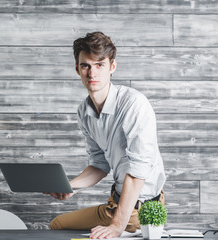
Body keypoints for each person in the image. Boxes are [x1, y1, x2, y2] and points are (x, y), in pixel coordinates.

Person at [47, 32, 166, 239]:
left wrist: (116, 226)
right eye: (86, 65)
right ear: (77, 69)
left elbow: (138, 171)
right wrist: (70, 186)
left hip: (138, 209)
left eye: (100, 64)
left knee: (58, 224)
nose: (92, 73)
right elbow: (100, 164)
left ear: (112, 67)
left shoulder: (134, 104)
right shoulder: (84, 111)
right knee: (60, 225)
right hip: (116, 201)